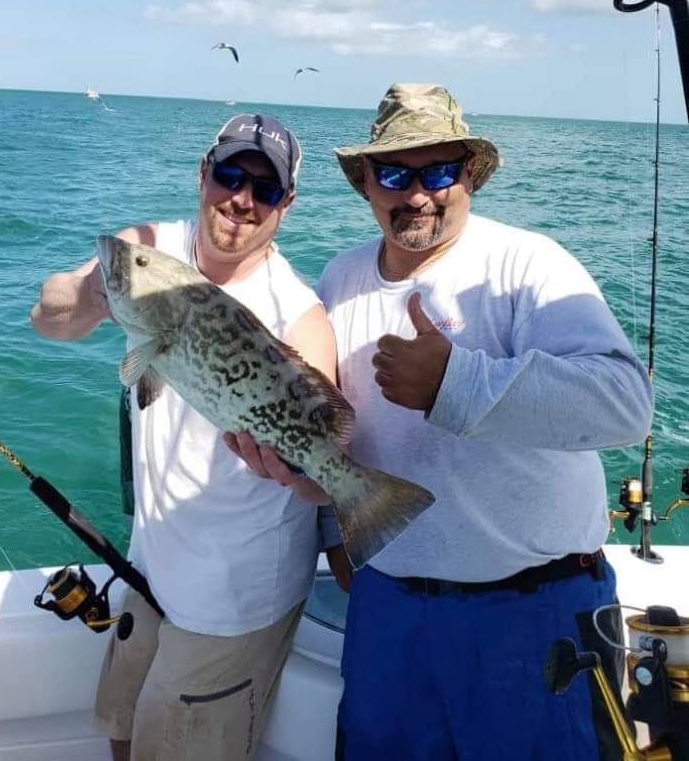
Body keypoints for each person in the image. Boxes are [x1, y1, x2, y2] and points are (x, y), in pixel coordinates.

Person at [235, 84, 654, 761]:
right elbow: (330, 431)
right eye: (396, 173)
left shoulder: (528, 265)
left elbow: (625, 405)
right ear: (366, 182)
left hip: (535, 610)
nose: (418, 194)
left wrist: (457, 382)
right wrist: (318, 504)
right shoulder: (338, 280)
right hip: (388, 611)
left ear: (470, 176)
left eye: (440, 172)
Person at [30, 113, 345, 761]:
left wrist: (291, 469)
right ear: (204, 174)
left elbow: (323, 472)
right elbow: (48, 317)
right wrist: (96, 293)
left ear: (286, 202)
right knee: (121, 730)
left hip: (233, 602)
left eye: (264, 188)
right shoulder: (151, 259)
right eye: (231, 174)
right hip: (151, 569)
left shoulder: (297, 312)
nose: (241, 199)